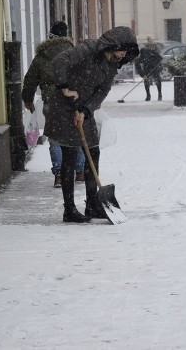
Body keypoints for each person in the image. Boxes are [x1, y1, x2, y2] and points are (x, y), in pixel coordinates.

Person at [44, 26, 139, 223]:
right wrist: (65, 88)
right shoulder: (88, 49)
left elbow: (102, 91)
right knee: (69, 156)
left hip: (83, 109)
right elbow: (59, 62)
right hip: (64, 107)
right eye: (123, 50)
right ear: (114, 45)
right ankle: (69, 209)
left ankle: (92, 205)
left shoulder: (112, 64)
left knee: (93, 152)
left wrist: (86, 110)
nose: (123, 55)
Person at [21, 21, 86, 188]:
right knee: (77, 133)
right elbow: (85, 76)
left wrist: (27, 99)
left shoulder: (42, 56)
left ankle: (59, 175)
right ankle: (79, 172)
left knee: (55, 137)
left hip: (51, 101)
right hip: (73, 99)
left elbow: (30, 80)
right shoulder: (75, 54)